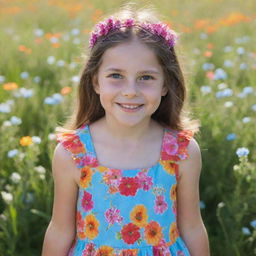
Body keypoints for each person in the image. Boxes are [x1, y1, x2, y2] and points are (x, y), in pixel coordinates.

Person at [42, 3, 210, 256]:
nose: (131, 90)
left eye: (146, 77)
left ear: (166, 84)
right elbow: (60, 230)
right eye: (116, 76)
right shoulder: (73, 153)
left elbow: (193, 227)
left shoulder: (181, 151)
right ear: (96, 81)